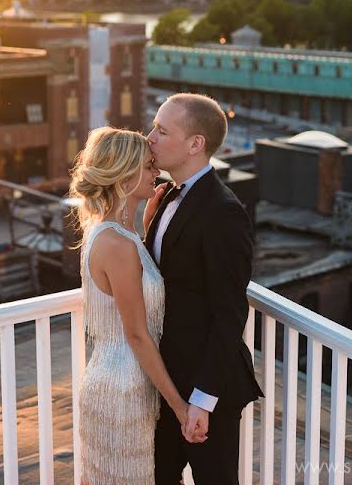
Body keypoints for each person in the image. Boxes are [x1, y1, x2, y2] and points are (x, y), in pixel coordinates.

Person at [70, 126, 203, 485]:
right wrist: (180, 406)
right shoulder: (116, 244)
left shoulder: (113, 234)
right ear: (124, 174)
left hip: (120, 380)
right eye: (147, 167)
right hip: (122, 390)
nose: (155, 172)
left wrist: (146, 226)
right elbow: (137, 335)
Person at [145, 93, 264, 485]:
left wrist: (202, 399)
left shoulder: (223, 212)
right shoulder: (166, 195)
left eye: (162, 131)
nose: (150, 138)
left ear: (196, 144)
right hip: (167, 382)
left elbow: (230, 312)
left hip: (207, 391)